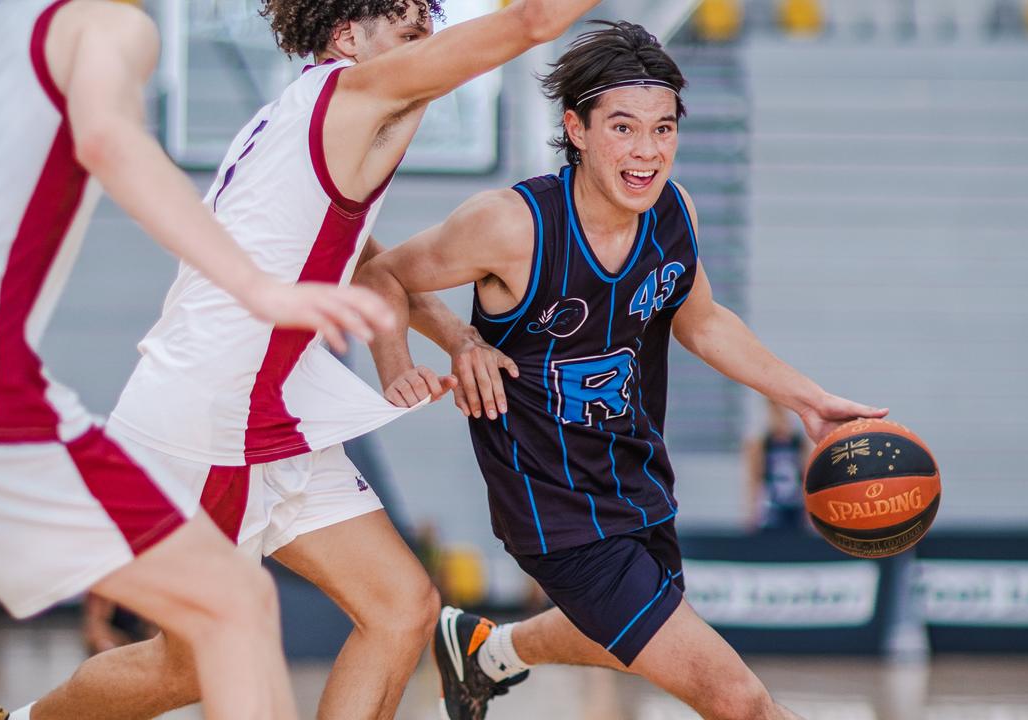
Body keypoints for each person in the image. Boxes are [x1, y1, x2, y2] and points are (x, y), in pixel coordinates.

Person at [1, 1, 602, 719]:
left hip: (266, 413)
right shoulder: (351, 96)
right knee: (187, 665)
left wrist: (453, 339)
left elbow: (364, 259)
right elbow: (532, 20)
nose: (429, 48)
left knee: (401, 608)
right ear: (348, 38)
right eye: (410, 33)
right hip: (212, 416)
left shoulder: (307, 116)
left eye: (429, 33)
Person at [359, 21, 887, 720]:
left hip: (635, 475)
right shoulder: (511, 225)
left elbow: (702, 320)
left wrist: (807, 399)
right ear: (576, 128)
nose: (647, 152)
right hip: (553, 504)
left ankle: (486, 651)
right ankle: (487, 650)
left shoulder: (674, 212)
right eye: (624, 128)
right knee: (740, 700)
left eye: (664, 129)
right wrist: (434, 349)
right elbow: (379, 273)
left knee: (620, 640)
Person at [0, 0, 401, 717]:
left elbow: (358, 248)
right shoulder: (102, 26)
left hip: (276, 411)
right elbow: (108, 139)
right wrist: (256, 286)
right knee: (228, 615)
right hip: (43, 393)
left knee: (368, 607)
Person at [744, 399, 809, 531]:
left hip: (796, 505)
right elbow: (754, 478)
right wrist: (752, 511)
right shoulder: (762, 442)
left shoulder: (798, 441)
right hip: (771, 506)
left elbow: (807, 476)